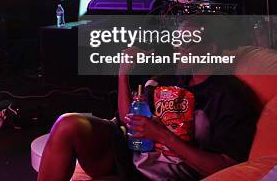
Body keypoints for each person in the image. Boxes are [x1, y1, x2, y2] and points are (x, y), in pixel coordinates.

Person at [38, 31, 259, 181]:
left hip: (164, 171)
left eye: (188, 43)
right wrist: (123, 73)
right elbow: (128, 120)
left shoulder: (231, 96)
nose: (179, 49)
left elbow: (226, 167)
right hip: (128, 150)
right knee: (67, 123)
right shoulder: (168, 78)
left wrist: (162, 136)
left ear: (211, 47)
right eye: (176, 42)